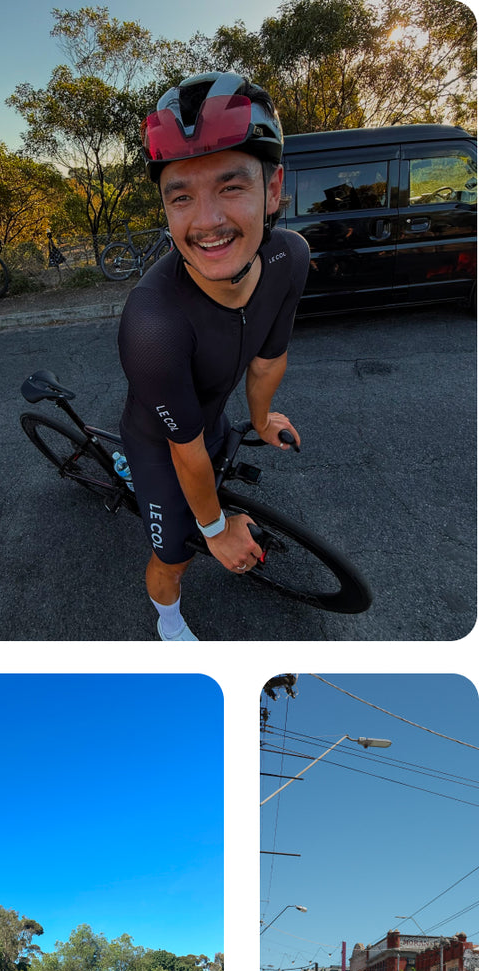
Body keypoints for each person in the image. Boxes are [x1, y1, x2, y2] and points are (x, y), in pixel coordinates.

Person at [117, 71, 310, 640]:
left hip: (210, 418)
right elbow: (186, 452)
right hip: (162, 443)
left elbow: (268, 359)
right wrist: (216, 528)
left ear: (274, 189)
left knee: (214, 471)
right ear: (166, 207)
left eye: (231, 187)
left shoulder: (288, 258)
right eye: (182, 196)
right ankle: (168, 624)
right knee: (174, 554)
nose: (206, 222)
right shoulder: (153, 323)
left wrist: (259, 419)